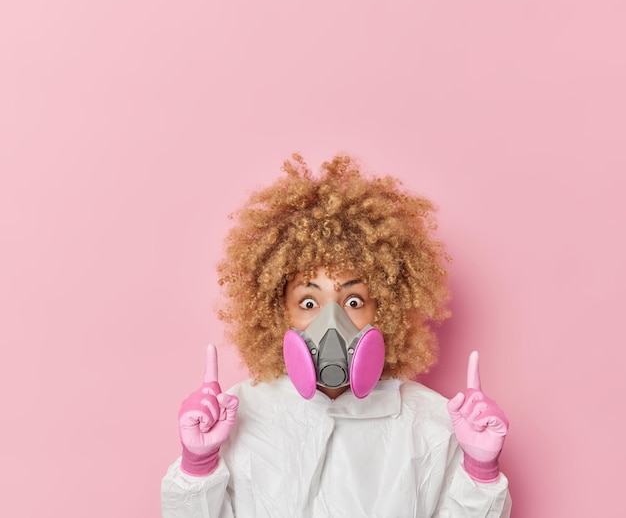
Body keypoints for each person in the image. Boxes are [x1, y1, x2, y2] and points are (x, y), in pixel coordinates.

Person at [161, 154, 512, 517]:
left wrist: (480, 471)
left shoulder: (432, 421)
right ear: (278, 311)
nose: (331, 321)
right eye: (309, 302)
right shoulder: (236, 414)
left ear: (385, 309)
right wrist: (198, 464)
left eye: (354, 300)